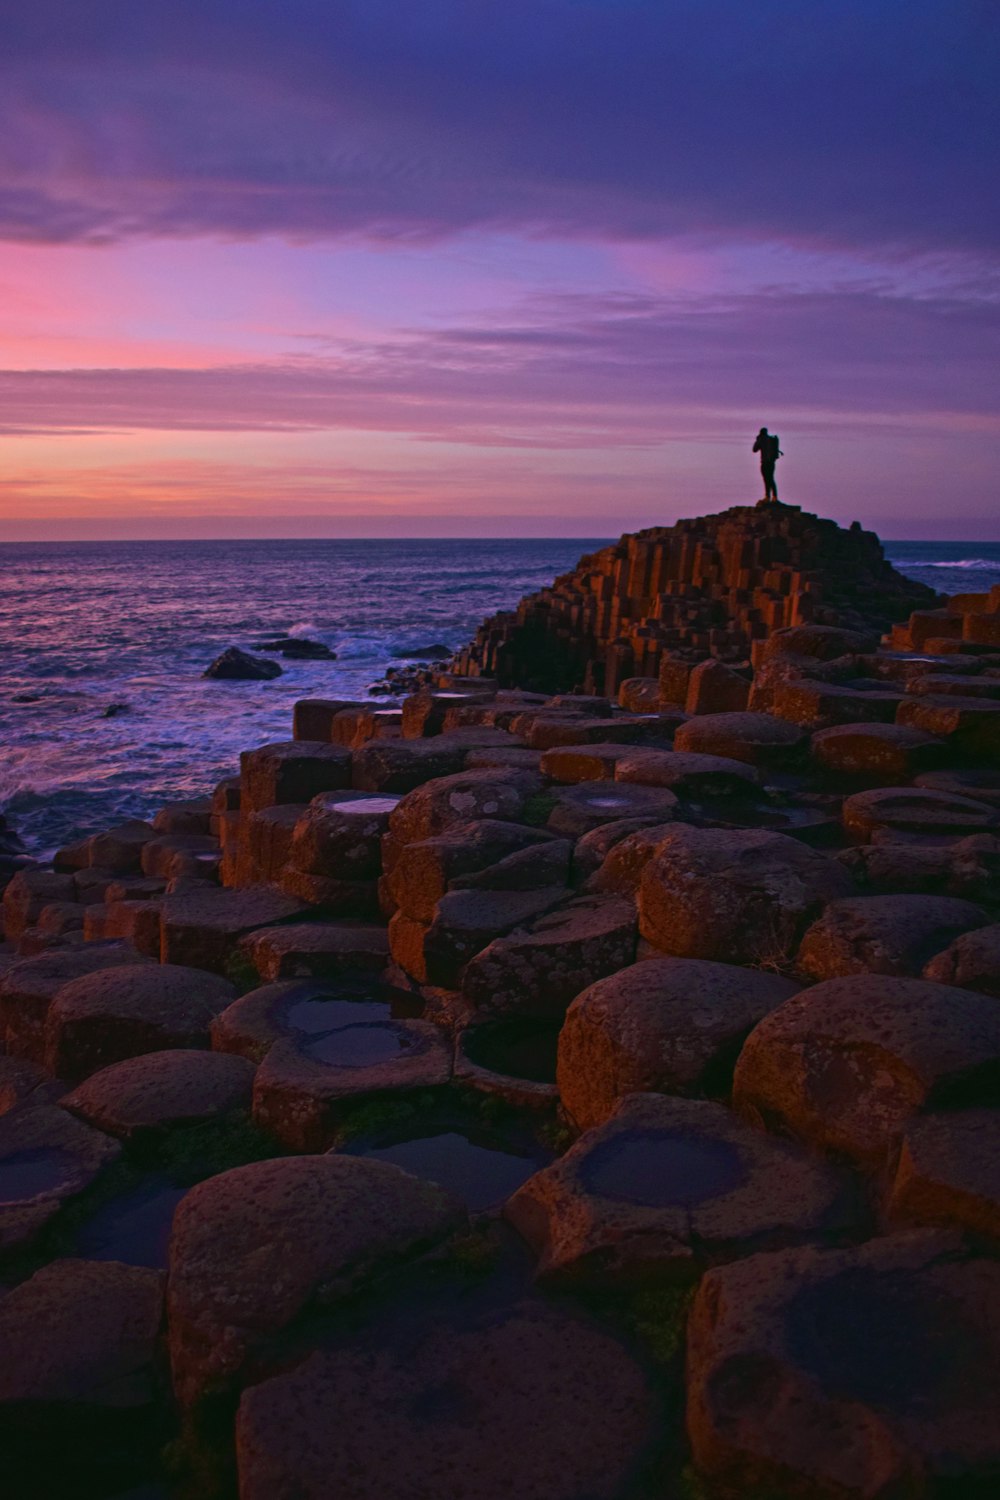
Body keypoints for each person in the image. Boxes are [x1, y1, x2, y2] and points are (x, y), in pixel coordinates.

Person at [752, 427, 782, 501]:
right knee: (771, 479)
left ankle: (767, 496)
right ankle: (774, 497)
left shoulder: (761, 439)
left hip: (765, 462)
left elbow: (754, 449)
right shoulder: (771, 440)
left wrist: (758, 439)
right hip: (772, 462)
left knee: (766, 479)